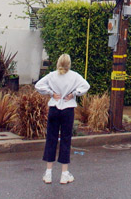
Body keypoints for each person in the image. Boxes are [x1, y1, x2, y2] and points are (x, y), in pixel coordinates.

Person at [35, 53, 90, 185]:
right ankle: (64, 174)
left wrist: (50, 93)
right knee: (66, 139)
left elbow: (38, 85)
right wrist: (74, 94)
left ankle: (48, 173)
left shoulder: (52, 75)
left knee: (51, 138)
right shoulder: (74, 76)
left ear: (58, 63)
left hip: (54, 108)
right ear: (69, 64)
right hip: (68, 109)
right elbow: (86, 86)